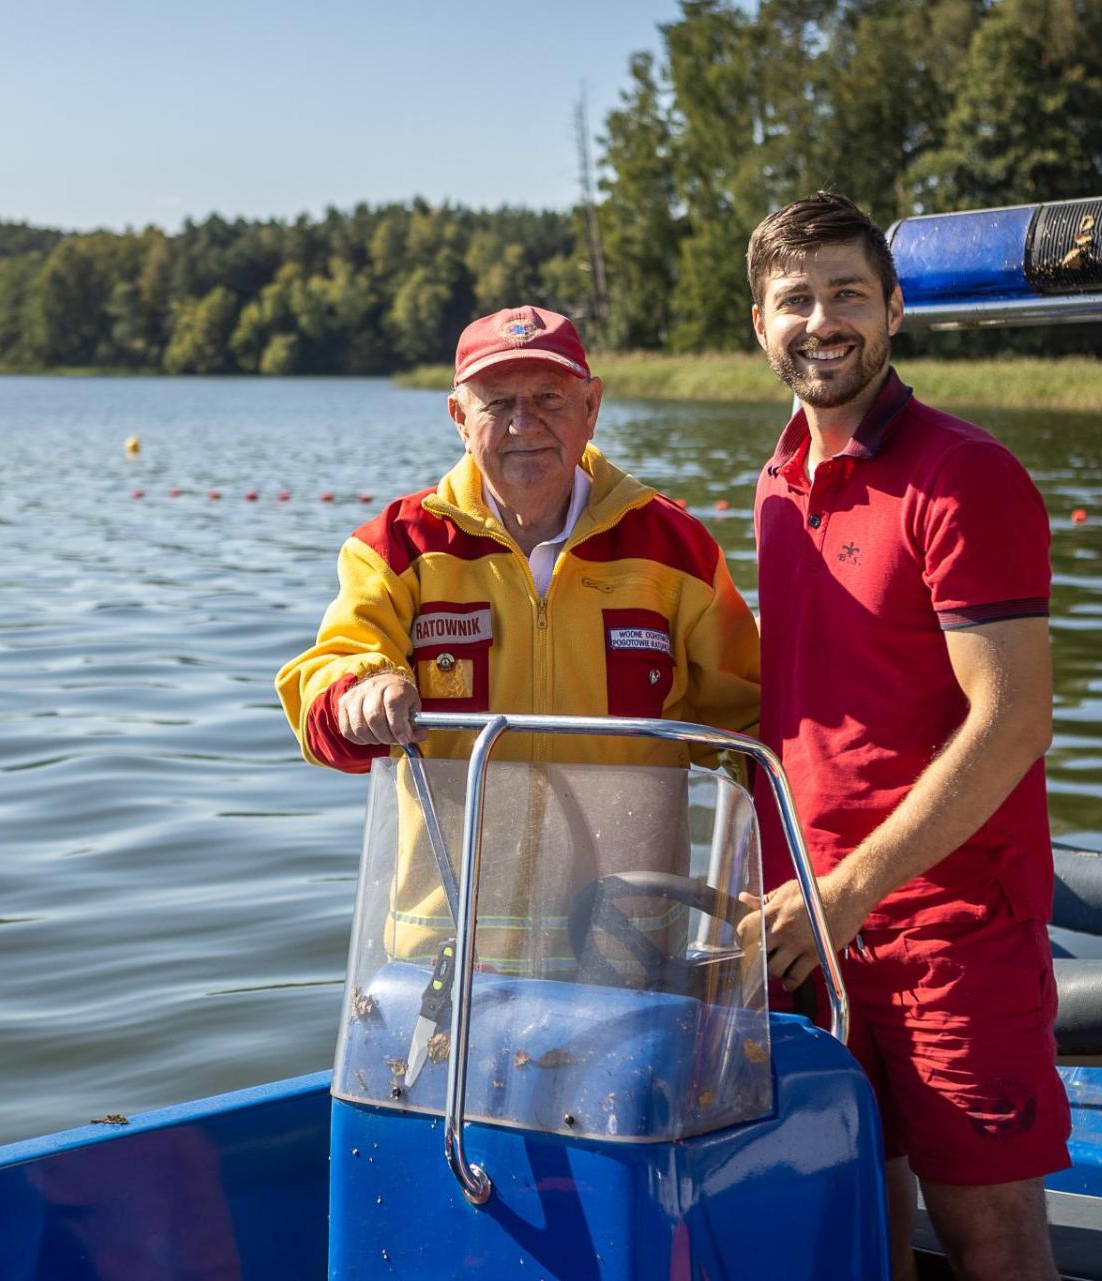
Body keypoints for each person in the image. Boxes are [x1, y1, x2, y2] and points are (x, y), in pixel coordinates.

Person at [742, 193, 1064, 1281]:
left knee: (992, 1241)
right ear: (760, 325)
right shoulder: (778, 484)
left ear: (893, 311)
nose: (821, 321)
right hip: (805, 926)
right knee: (850, 1226)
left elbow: (1014, 718)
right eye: (796, 299)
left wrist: (857, 884)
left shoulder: (963, 475)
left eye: (846, 295)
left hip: (949, 929)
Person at [276, 306, 762, 962]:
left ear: (591, 406)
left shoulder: (675, 549)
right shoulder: (395, 547)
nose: (523, 424)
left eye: (548, 398)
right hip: (446, 963)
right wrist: (361, 689)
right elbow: (321, 690)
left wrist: (788, 877)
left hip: (624, 954)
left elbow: (756, 731)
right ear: (458, 417)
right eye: (498, 401)